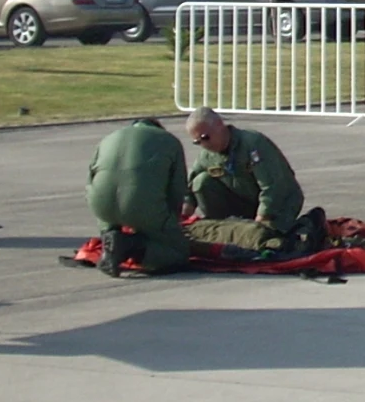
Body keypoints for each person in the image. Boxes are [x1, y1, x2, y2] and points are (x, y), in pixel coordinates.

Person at [184, 107, 322, 255]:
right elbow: (189, 187)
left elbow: (272, 186)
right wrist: (183, 216)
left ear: (219, 125)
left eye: (205, 137)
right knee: (201, 182)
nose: (204, 144)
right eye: (197, 142)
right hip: (245, 203)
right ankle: (229, 228)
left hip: (281, 203)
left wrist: (261, 221)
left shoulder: (252, 144)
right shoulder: (207, 156)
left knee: (265, 240)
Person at [84, 117, 195, 276]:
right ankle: (131, 246)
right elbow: (177, 189)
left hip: (101, 205)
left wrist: (104, 225)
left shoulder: (109, 138)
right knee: (178, 253)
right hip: (141, 206)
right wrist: (169, 222)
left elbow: (90, 178)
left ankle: (111, 239)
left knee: (111, 213)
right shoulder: (170, 141)